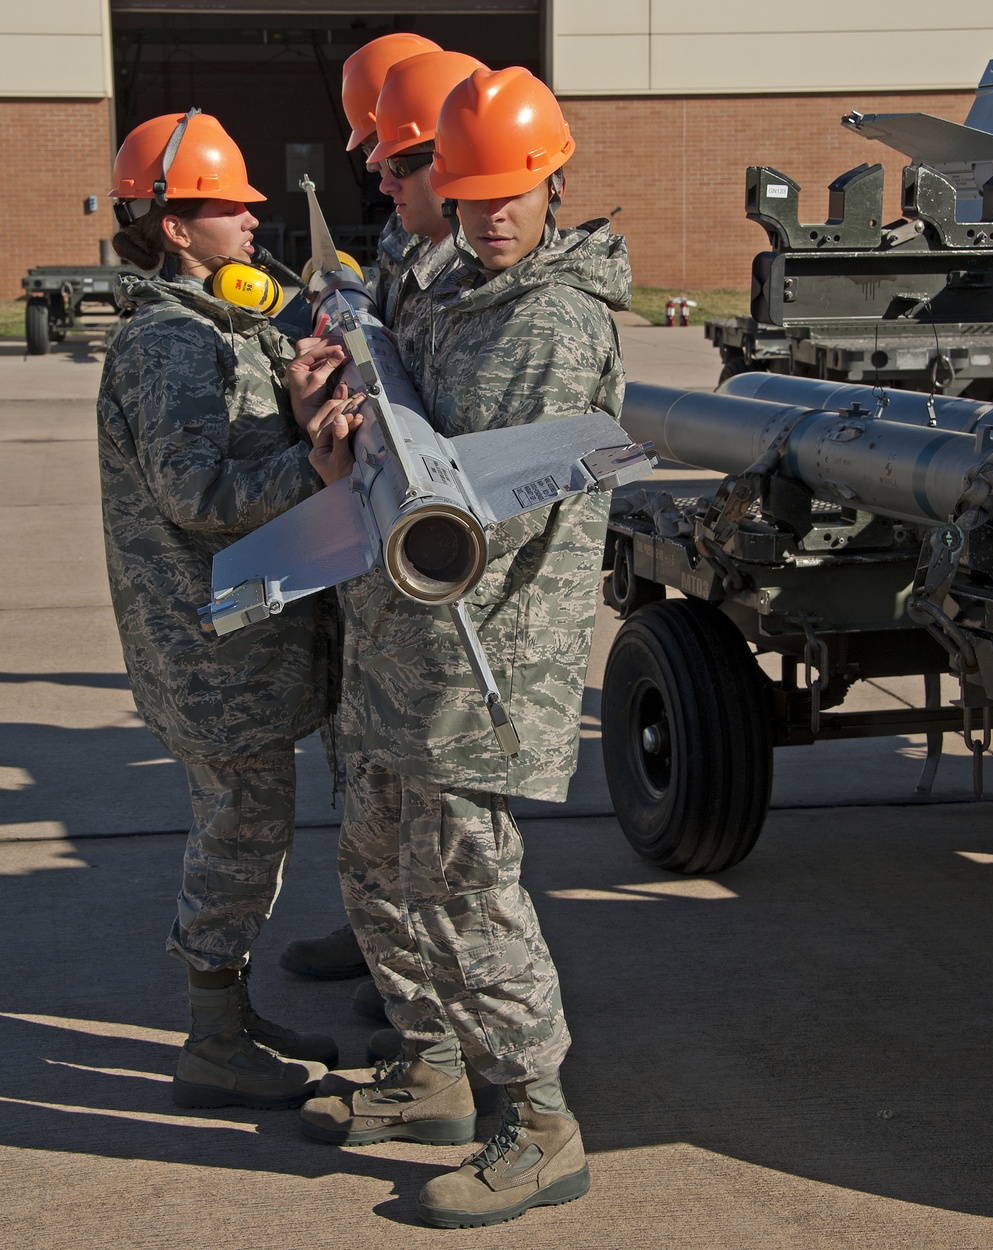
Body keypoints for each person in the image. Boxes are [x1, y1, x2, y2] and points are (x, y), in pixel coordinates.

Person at [297, 67, 630, 1228]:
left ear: (552, 179)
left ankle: (534, 1118)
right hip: (407, 637)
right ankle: (432, 1066)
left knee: (465, 887)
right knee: (380, 865)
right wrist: (339, 434)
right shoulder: (457, 290)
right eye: (469, 188)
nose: (492, 214)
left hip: (480, 649)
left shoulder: (546, 318)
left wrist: (364, 474)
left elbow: (491, 512)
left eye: (515, 191)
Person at [98, 109, 364, 1110]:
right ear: (174, 226)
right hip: (211, 646)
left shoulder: (213, 327)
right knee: (241, 830)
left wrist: (292, 411)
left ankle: (233, 1011)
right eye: (230, 207)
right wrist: (311, 459)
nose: (253, 222)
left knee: (249, 825)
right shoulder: (171, 346)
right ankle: (211, 1040)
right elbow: (198, 496)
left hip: (230, 629)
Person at [277, 38, 481, 987]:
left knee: (448, 851)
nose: (377, 173)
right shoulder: (413, 249)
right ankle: (388, 963)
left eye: (395, 158)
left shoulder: (483, 277)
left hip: (439, 597)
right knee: (374, 804)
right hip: (381, 582)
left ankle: (431, 1023)